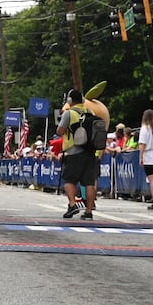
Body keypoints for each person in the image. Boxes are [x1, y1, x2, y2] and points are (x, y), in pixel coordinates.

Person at [57, 89, 99, 221]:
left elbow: (60, 131)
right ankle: (89, 211)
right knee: (89, 183)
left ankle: (72, 204)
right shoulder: (90, 112)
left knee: (69, 180)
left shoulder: (69, 113)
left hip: (74, 151)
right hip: (90, 152)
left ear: (70, 101)